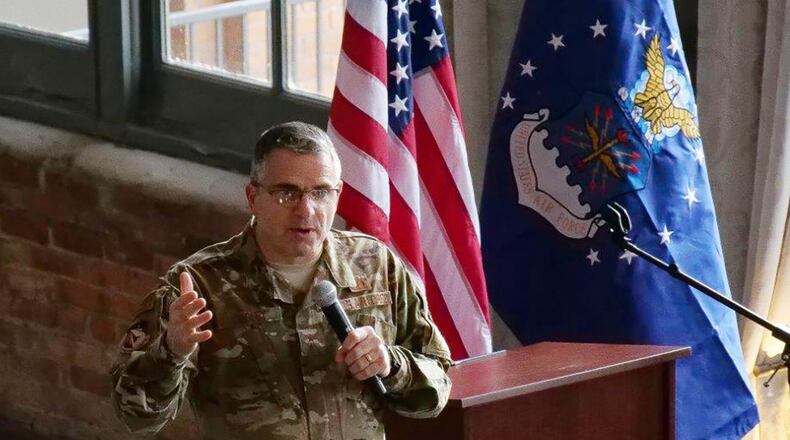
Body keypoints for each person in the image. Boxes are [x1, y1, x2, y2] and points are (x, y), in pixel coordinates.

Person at [110, 121, 453, 439]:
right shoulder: (198, 286)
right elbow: (136, 417)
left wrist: (391, 365)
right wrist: (171, 351)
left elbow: (438, 387)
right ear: (253, 198)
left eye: (320, 192)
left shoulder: (376, 265)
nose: (306, 210)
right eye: (287, 193)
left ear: (337, 195)